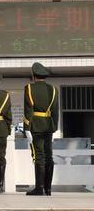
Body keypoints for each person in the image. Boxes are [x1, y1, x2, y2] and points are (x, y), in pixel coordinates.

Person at [24, 62, 59, 196]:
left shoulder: (29, 88)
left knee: (39, 156)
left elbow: (28, 110)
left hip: (36, 125)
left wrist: (27, 127)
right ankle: (48, 188)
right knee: (48, 155)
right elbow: (55, 111)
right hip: (48, 126)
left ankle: (39, 188)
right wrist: (54, 127)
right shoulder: (54, 89)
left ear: (33, 76)